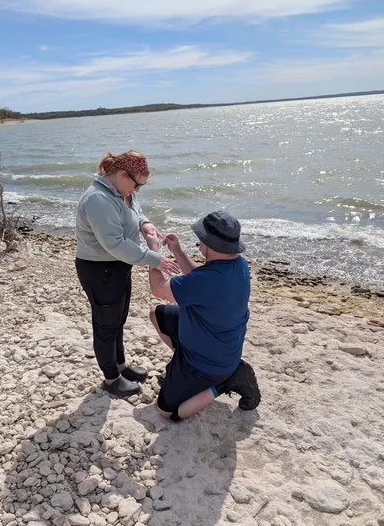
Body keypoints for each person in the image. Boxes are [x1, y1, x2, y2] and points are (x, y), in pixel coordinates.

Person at [75, 150, 179, 399]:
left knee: (118, 318)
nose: (138, 190)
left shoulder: (123, 192)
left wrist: (145, 223)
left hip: (119, 265)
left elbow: (136, 210)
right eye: (137, 184)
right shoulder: (98, 199)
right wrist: (156, 259)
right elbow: (115, 244)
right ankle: (111, 378)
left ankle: (120, 366)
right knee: (105, 324)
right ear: (122, 174)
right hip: (101, 268)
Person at [145, 210, 261, 421]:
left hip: (207, 364)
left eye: (200, 241)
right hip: (218, 343)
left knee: (168, 411)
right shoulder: (238, 264)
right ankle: (185, 364)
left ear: (211, 245)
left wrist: (153, 252)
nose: (198, 244)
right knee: (157, 314)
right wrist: (177, 251)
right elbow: (199, 276)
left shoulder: (206, 281)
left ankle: (226, 382)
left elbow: (158, 288)